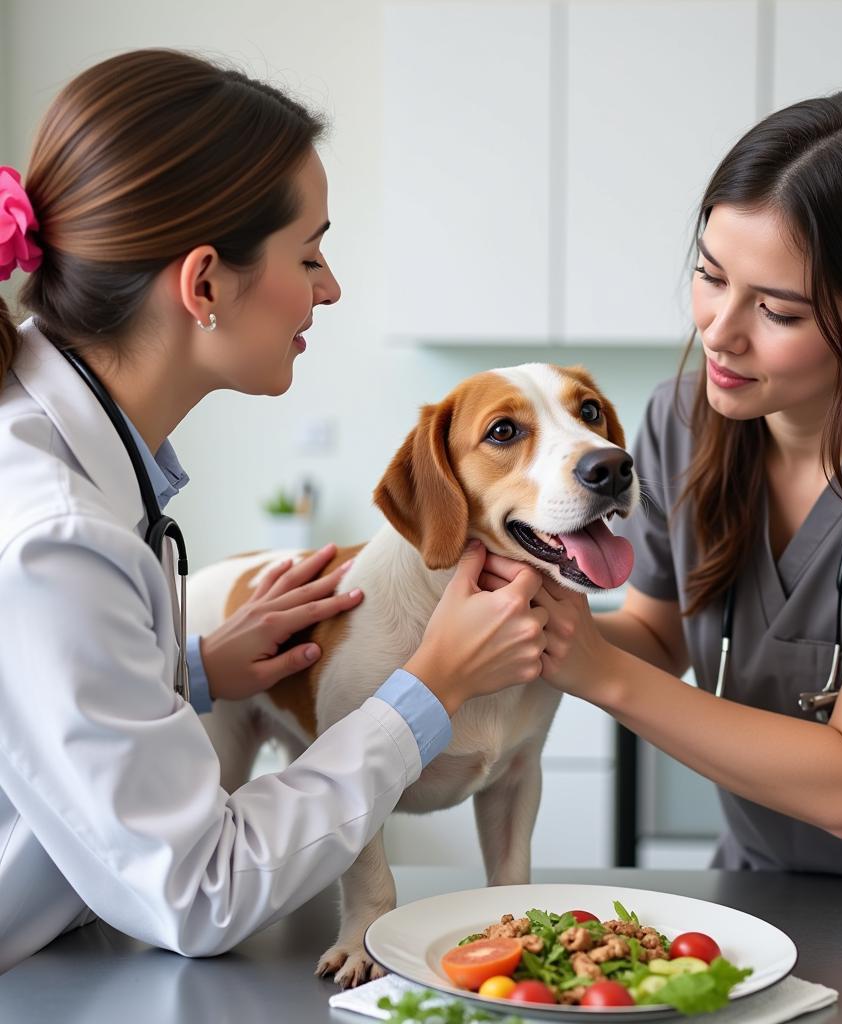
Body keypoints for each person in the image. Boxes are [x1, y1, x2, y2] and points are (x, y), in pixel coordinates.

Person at [0, 49, 549, 974]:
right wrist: (430, 688)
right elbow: (198, 890)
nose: (328, 288)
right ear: (205, 284)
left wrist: (195, 669)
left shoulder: (67, 463)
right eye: (310, 254)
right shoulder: (56, 534)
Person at [484, 91, 842, 884]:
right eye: (709, 274)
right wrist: (538, 619)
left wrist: (594, 666)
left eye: (776, 310)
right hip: (761, 886)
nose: (719, 330)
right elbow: (659, 639)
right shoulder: (683, 420)